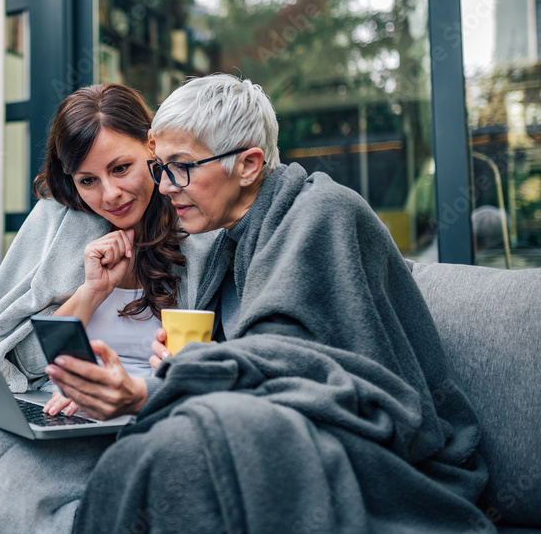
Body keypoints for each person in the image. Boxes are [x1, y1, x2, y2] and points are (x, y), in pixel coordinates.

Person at [47, 74, 491, 532]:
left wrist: (151, 390)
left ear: (248, 164)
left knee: (179, 448)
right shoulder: (230, 247)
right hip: (289, 421)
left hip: (392, 456)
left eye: (180, 167)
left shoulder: (323, 211)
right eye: (160, 168)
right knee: (155, 448)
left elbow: (300, 361)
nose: (163, 187)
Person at [0, 83, 208, 533]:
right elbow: (27, 359)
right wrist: (91, 292)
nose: (110, 195)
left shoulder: (198, 222)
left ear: (151, 146)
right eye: (88, 180)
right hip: (57, 405)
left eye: (121, 168)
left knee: (7, 492)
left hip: (140, 413)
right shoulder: (59, 223)